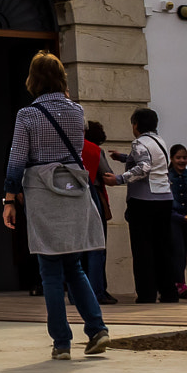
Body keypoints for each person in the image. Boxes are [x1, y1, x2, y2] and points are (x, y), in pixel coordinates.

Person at [0, 51, 112, 360]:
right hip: (72, 191)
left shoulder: (28, 115)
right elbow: (73, 151)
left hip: (43, 193)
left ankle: (62, 342)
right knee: (74, 266)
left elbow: (17, 160)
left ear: (32, 80)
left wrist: (9, 199)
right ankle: (97, 328)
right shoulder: (77, 112)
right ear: (61, 77)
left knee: (50, 271)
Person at [112, 107, 181, 304]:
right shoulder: (160, 141)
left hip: (143, 200)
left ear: (135, 125)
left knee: (143, 249)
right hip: (164, 198)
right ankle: (169, 291)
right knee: (163, 247)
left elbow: (143, 167)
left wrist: (118, 179)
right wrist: (124, 157)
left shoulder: (139, 142)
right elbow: (153, 161)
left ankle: (147, 293)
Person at [80, 122, 118, 306]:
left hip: (69, 198)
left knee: (77, 249)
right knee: (97, 247)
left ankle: (76, 293)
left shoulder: (62, 146)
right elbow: (107, 175)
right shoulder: (93, 149)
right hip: (92, 195)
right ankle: (97, 291)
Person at [167, 143, 187, 298]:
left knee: (184, 252)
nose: (182, 161)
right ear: (172, 158)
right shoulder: (167, 176)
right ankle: (177, 283)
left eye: (184, 157)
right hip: (174, 218)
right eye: (178, 157)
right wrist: (178, 216)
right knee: (177, 251)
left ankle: (179, 282)